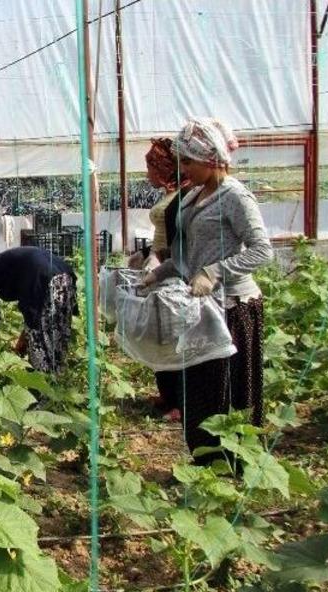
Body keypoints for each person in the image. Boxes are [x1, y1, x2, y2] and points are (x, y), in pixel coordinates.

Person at [141, 118, 274, 465]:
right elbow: (187, 256)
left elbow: (262, 250)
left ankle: (234, 465)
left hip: (232, 307)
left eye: (188, 162)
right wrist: (157, 274)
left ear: (210, 158)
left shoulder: (235, 196)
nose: (183, 169)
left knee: (228, 391)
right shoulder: (193, 197)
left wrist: (215, 272)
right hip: (201, 306)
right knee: (198, 389)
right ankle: (205, 463)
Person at [132, 138, 194, 421]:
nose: (148, 174)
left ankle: (180, 401)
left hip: (174, 270)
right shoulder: (171, 194)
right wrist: (147, 254)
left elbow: (180, 240)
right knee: (160, 333)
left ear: (165, 168)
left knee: (175, 336)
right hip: (159, 268)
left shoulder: (185, 195)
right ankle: (167, 394)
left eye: (151, 167)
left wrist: (161, 258)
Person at [0, 245, 77, 374]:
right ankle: (58, 379)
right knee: (57, 341)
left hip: (43, 280)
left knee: (40, 351)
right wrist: (23, 340)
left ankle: (44, 383)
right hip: (64, 277)